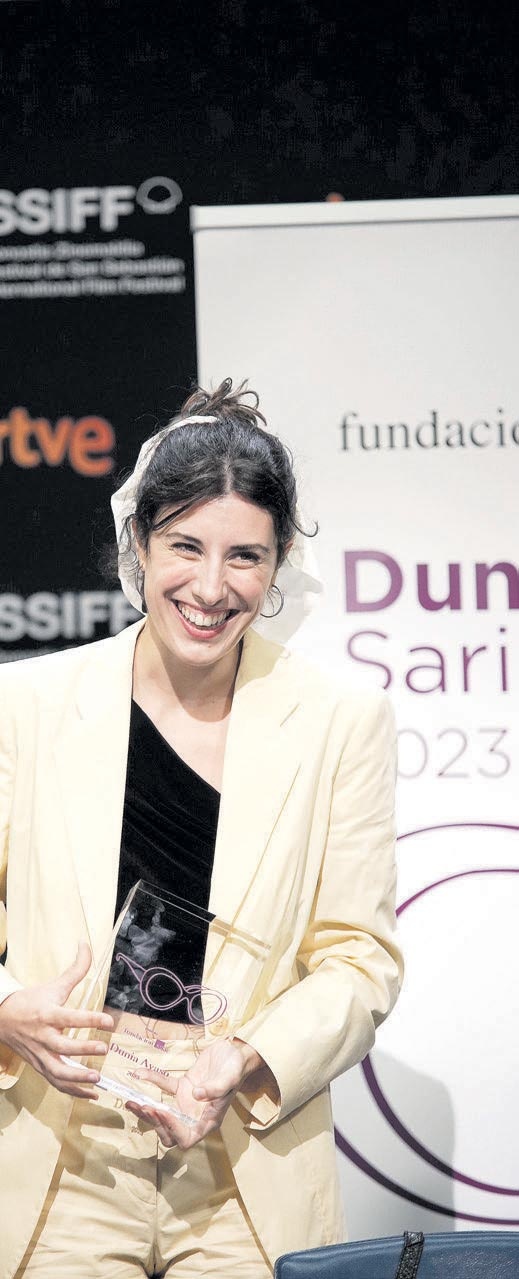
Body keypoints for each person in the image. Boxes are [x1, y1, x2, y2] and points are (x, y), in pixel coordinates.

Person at [0, 379, 402, 1278]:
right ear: (138, 543)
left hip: (243, 1167)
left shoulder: (342, 719)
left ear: (280, 560)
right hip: (60, 1162)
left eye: (244, 556)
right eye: (185, 545)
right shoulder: (23, 705)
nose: (211, 588)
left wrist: (244, 1060)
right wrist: (9, 1010)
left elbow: (358, 958)